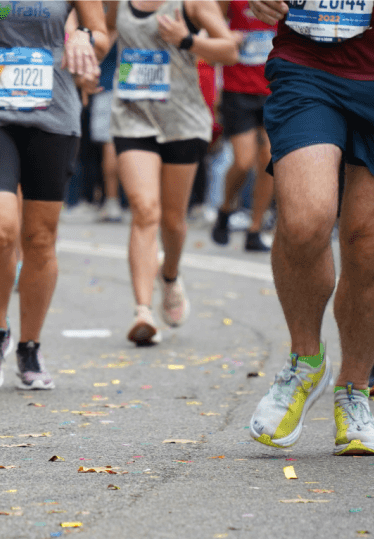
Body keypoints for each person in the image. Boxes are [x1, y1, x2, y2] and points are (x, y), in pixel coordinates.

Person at [248, 0, 374, 456]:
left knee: (370, 241)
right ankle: (305, 362)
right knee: (306, 219)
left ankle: (354, 389)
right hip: (309, 63)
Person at [0, 0, 109, 392]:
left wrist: (86, 39)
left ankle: (29, 346)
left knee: (39, 237)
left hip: (53, 112)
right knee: (0, 228)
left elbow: (100, 34)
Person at [107, 0, 238, 346]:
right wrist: (88, 55)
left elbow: (229, 50)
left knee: (173, 221)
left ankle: (169, 276)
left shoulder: (192, 3)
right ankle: (143, 312)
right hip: (132, 116)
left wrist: (187, 40)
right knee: (144, 209)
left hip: (182, 121)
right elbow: (104, 31)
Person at [210, 0, 275, 252]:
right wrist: (225, 35)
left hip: (273, 89)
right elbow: (209, 23)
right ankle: (226, 208)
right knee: (243, 161)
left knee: (270, 158)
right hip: (237, 90)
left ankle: (255, 229)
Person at [91, 40, 123, 223]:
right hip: (127, 87)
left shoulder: (107, 20)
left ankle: (113, 201)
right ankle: (117, 201)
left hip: (110, 86)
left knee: (111, 144)